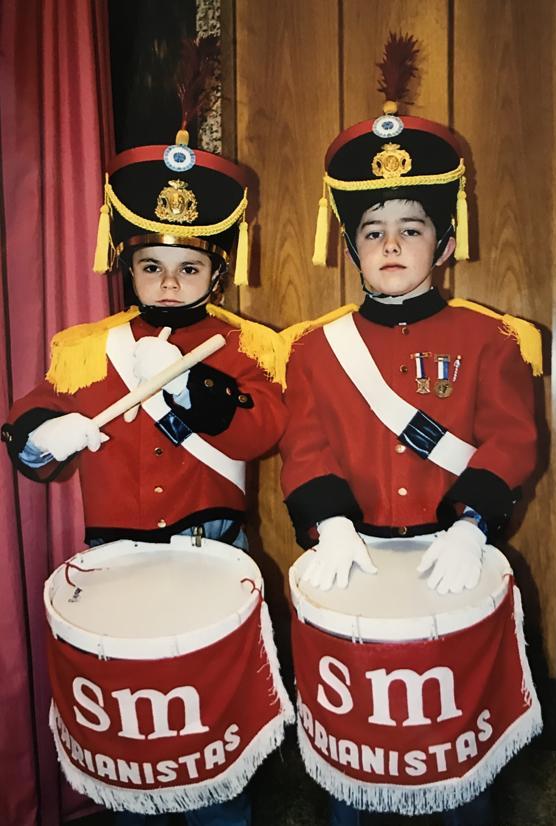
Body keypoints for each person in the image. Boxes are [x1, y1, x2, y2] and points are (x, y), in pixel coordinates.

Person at [279, 47, 541, 826]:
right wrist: (328, 522)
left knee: (461, 764)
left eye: (412, 227)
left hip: (449, 563)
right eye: (372, 230)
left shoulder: (490, 340)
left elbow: (510, 439)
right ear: (352, 247)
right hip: (354, 560)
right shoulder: (314, 349)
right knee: (352, 768)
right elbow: (306, 445)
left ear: (445, 243)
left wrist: (471, 526)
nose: (391, 245)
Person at [2, 131, 287, 826]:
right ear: (126, 266)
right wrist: (43, 437)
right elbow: (33, 419)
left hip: (213, 558)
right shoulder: (87, 348)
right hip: (117, 571)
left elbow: (264, 429)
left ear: (216, 273)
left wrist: (204, 396)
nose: (167, 282)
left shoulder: (247, 347)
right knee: (136, 755)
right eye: (151, 264)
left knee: (214, 751)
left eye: (188, 267)